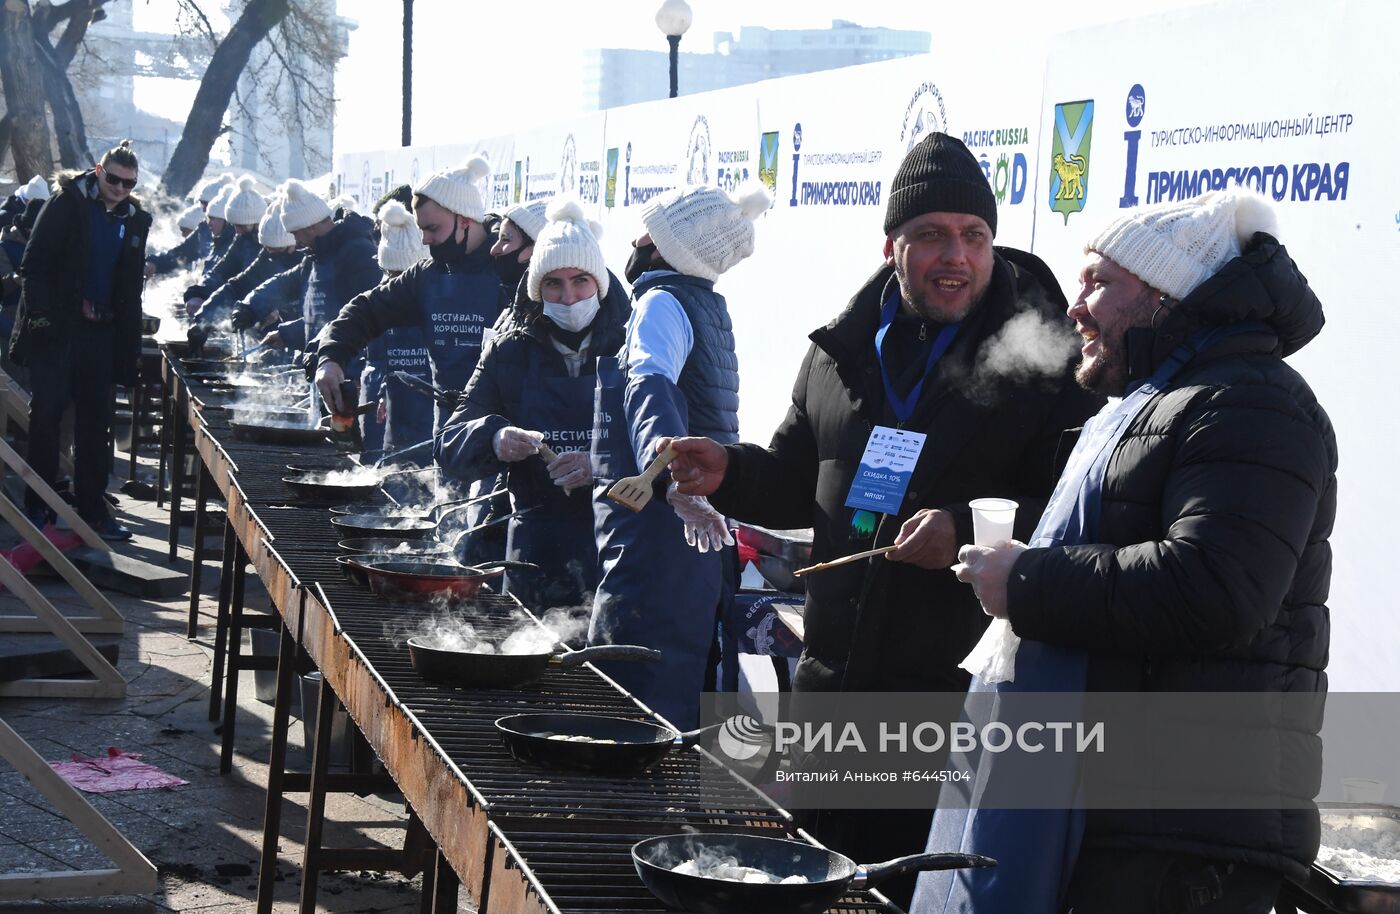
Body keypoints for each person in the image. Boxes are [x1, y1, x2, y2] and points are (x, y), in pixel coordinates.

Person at [662, 133, 1102, 905]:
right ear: (892, 245)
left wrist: (964, 531)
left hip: (951, 708)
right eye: (931, 235)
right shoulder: (840, 352)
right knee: (822, 888)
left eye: (974, 236)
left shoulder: (1052, 361)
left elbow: (1076, 515)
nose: (954, 257)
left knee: (917, 893)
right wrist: (730, 472)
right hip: (833, 691)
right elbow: (800, 481)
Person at [919, 186, 1335, 914]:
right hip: (1120, 812)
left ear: (1165, 296)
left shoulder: (1253, 404)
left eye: (1099, 283)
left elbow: (1214, 588)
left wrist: (1030, 583)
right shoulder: (1152, 402)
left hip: (1180, 840)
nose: (1075, 306)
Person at [587, 181, 770, 731]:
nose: (636, 239)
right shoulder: (708, 308)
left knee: (636, 693)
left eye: (648, 229)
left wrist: (667, 479)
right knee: (684, 683)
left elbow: (649, 387)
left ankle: (630, 813)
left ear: (665, 244)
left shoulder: (660, 303)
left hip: (660, 533)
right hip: (697, 527)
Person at [438, 198, 630, 609]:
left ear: (600, 283)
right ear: (537, 289)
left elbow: (667, 448)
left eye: (581, 281)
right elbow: (449, 441)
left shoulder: (633, 349)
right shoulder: (509, 352)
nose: (569, 297)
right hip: (533, 553)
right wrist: (494, 437)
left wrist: (600, 467)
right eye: (553, 284)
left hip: (616, 546)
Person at [9, 140, 152, 541]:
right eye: (114, 179)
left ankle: (93, 510)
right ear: (98, 170)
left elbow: (127, 285)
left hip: (101, 336)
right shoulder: (66, 202)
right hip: (56, 331)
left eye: (128, 184)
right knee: (46, 418)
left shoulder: (134, 218)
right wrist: (43, 317)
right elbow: (34, 265)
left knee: (96, 425)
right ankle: (39, 508)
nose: (120, 189)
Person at [313, 156, 504, 436]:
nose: (425, 240)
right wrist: (330, 357)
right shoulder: (425, 277)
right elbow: (365, 310)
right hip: (448, 438)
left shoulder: (508, 273)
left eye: (432, 229)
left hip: (502, 440)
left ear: (464, 220)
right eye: (421, 229)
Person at [262, 178, 381, 361]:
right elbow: (285, 285)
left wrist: (291, 335)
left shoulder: (358, 253)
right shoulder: (314, 255)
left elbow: (353, 317)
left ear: (310, 228)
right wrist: (251, 307)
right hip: (324, 361)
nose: (295, 241)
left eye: (295, 233)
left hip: (346, 366)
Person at [364, 199, 432, 457]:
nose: (395, 287)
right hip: (391, 416)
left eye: (402, 278)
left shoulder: (436, 304)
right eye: (390, 276)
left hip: (426, 426)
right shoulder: (381, 297)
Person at [195, 199, 301, 327]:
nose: (271, 254)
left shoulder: (307, 262)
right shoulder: (267, 255)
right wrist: (203, 317)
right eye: (268, 248)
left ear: (293, 242)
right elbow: (239, 285)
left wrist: (286, 330)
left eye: (276, 249)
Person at [185, 176, 266, 316]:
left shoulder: (272, 244)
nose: (237, 230)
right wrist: (199, 293)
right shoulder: (242, 239)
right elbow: (221, 271)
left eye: (240, 225)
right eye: (234, 225)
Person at [146, 172, 231, 277]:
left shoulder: (235, 238)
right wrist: (155, 263)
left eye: (206, 204)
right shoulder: (204, 229)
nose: (203, 208)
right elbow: (182, 253)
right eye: (202, 203)